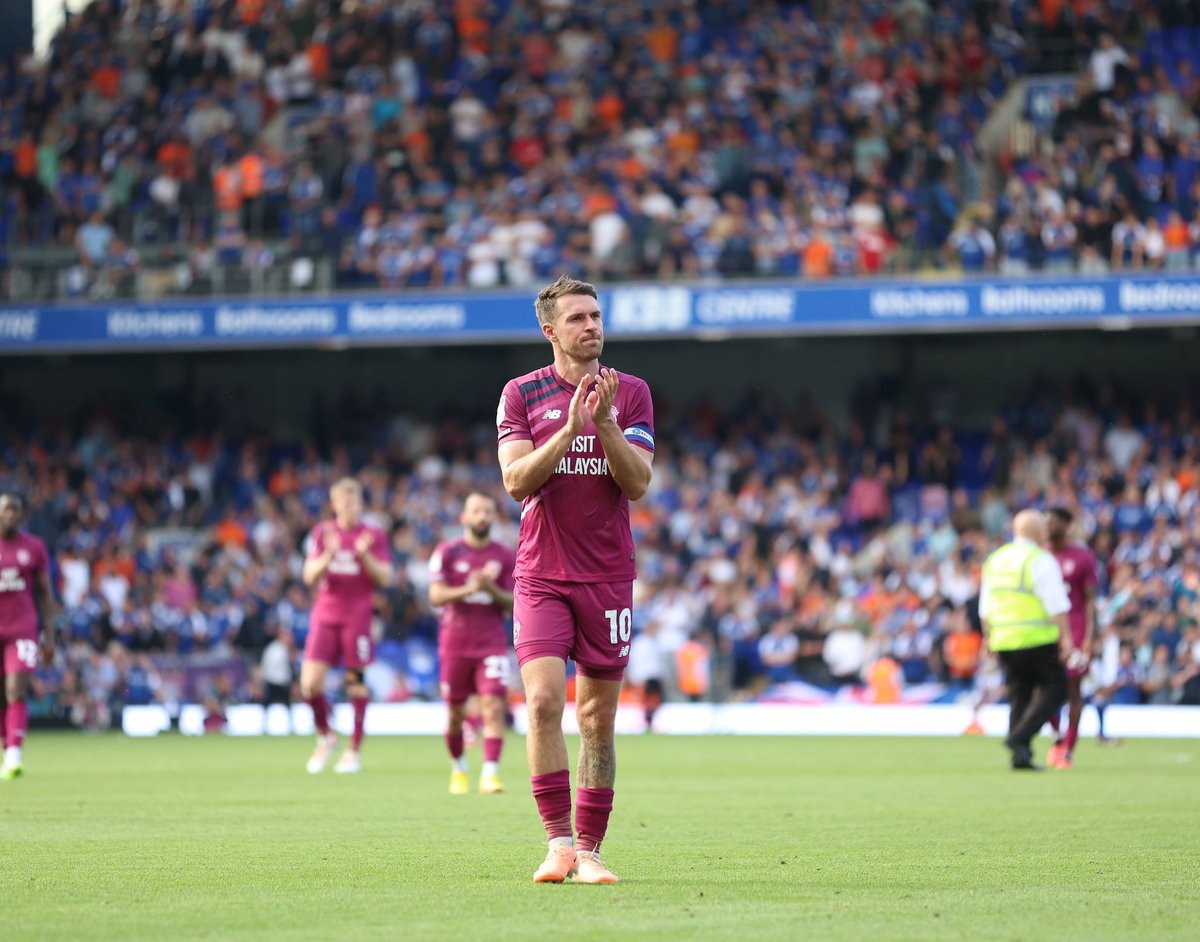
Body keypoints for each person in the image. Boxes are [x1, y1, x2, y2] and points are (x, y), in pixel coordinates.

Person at [496, 274, 655, 884]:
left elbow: (637, 484)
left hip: (608, 576)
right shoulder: (521, 394)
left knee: (597, 719)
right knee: (542, 702)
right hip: (541, 574)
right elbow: (515, 483)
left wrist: (606, 422)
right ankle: (557, 843)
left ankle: (590, 850)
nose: (592, 326)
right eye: (578, 319)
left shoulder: (632, 392)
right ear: (550, 331)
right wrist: (569, 428)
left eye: (596, 315)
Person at [299, 478, 393, 774]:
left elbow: (385, 578)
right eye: (345, 502)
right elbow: (308, 576)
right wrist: (328, 554)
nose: (351, 508)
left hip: (357, 617)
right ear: (335, 504)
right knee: (310, 684)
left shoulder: (373, 535)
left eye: (356, 502)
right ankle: (326, 735)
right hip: (325, 615)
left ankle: (353, 749)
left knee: (355, 682)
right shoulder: (322, 533)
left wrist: (364, 555)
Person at [428, 491, 516, 795]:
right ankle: (459, 767)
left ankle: (490, 774)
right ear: (464, 517)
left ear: (493, 517)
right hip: (454, 643)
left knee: (493, 706)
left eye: (487, 511)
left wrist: (489, 587)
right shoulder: (448, 552)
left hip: (491, 643)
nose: (482, 517)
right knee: (454, 714)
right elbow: (436, 595)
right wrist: (469, 589)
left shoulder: (505, 556)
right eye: (476, 511)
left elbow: (514, 604)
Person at [978, 510, 1072, 771]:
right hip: (1036, 637)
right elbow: (1056, 603)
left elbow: (985, 607)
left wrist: (988, 637)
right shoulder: (1040, 560)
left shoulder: (995, 560)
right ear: (1035, 531)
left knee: (1020, 694)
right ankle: (1019, 738)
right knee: (1056, 688)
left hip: (1003, 638)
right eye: (1043, 526)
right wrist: (1067, 638)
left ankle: (1021, 756)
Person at [0, 492, 58, 780]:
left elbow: (46, 594)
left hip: (22, 629)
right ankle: (7, 746)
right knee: (2, 696)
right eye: (6, 509)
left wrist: (50, 634)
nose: (11, 514)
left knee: (16, 690)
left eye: (16, 510)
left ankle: (14, 755)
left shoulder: (34, 547)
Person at [1045, 506, 1098, 769]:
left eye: (1053, 521)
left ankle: (1068, 747)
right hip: (1045, 631)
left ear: (1066, 525)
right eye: (1046, 521)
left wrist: (1089, 636)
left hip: (1075, 629)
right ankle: (1056, 737)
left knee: (1073, 689)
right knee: (1042, 687)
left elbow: (1090, 600)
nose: (1049, 526)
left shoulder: (1082, 556)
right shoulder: (1040, 556)